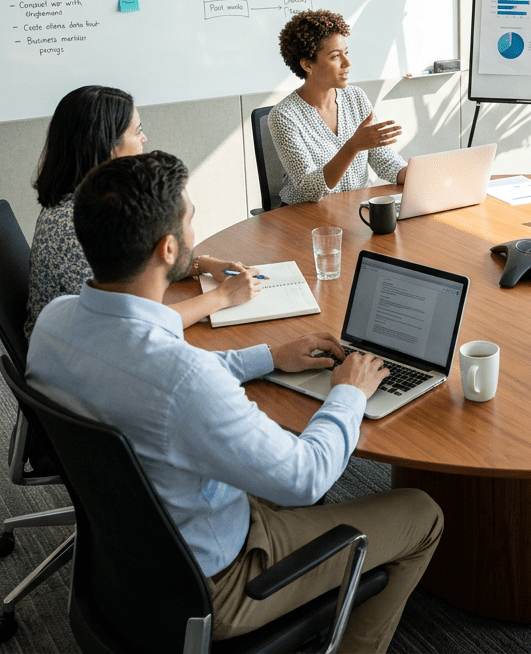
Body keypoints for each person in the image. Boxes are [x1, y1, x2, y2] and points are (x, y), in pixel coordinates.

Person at [26, 151, 442, 649]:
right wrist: (348, 394)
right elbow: (303, 478)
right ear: (167, 250)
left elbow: (158, 382)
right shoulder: (182, 378)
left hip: (125, 553)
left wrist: (268, 355)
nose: (196, 232)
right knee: (423, 513)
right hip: (218, 583)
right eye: (191, 219)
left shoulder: (54, 323)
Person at [25, 85, 258, 338]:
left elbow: (133, 260)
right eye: (137, 132)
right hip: (77, 353)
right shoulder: (73, 223)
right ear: (107, 146)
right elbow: (139, 324)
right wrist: (223, 296)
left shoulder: (94, 200)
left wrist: (203, 264)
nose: (144, 139)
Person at [268, 10, 407, 205]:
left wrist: (418, 177)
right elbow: (309, 189)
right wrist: (352, 146)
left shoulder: (356, 97)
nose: (347, 63)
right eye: (335, 57)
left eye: (346, 53)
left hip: (356, 209)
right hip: (305, 218)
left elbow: (383, 160)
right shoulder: (284, 116)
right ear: (308, 65)